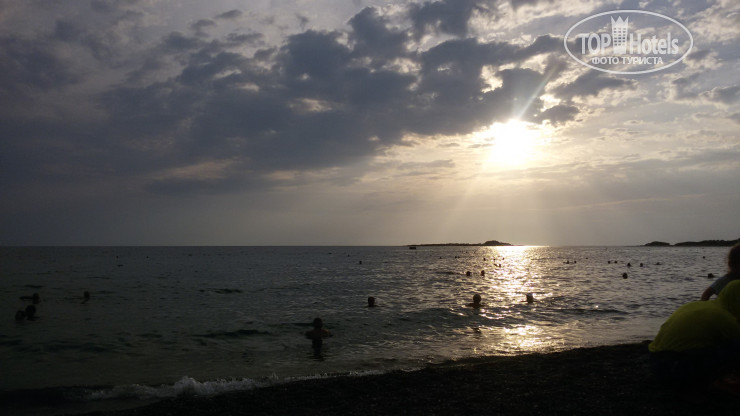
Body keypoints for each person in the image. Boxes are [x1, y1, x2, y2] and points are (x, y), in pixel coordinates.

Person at [649, 280, 740, 390]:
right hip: (674, 368)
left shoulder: (700, 305)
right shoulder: (723, 316)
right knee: (735, 345)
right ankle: (710, 383)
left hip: (656, 363)